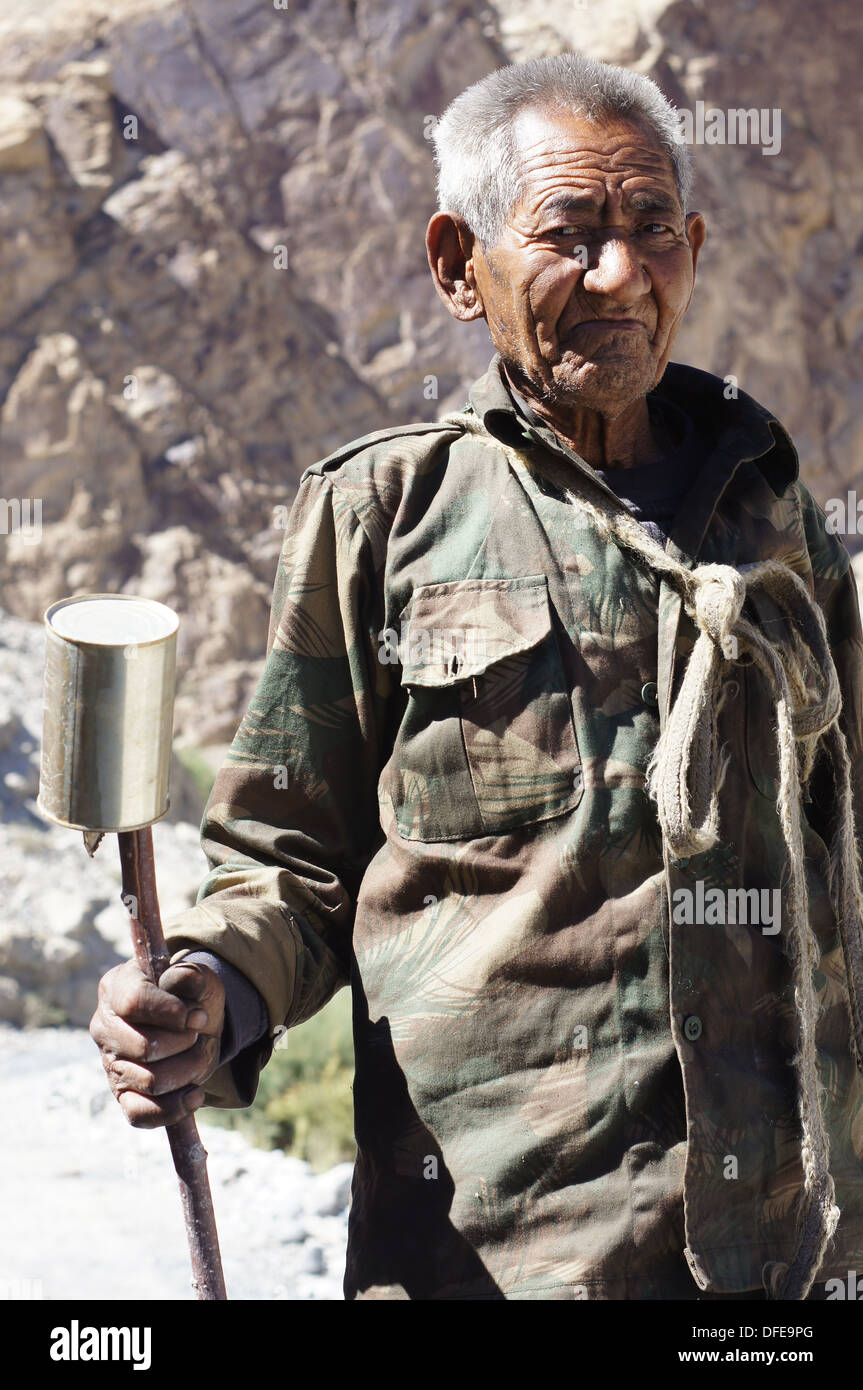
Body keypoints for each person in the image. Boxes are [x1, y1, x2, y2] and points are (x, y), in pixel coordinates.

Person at [89, 52, 863, 1301]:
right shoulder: (383, 515)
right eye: (570, 233)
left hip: (776, 1265)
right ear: (458, 264)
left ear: (694, 246)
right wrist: (209, 992)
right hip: (487, 1261)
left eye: (652, 228)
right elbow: (288, 860)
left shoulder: (770, 517)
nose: (621, 274)